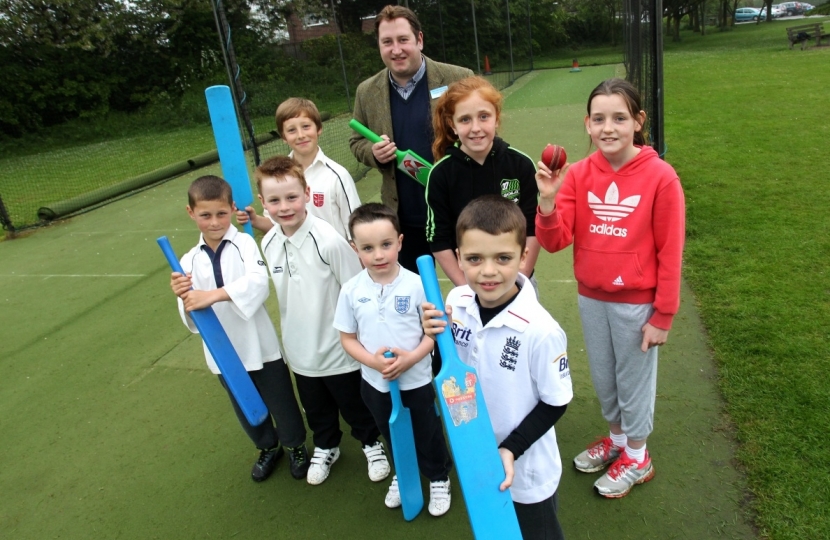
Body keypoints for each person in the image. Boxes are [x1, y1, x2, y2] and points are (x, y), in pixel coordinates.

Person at [534, 78, 685, 498]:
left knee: (633, 382)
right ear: (586, 124)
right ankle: (618, 442)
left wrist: (663, 314)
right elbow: (553, 240)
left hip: (637, 303)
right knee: (605, 378)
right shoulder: (579, 174)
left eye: (619, 118)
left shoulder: (661, 176)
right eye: (599, 119)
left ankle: (638, 457)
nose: (608, 127)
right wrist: (547, 201)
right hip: (592, 297)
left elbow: (671, 251)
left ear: (638, 122)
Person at [422, 195, 572, 540]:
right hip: (475, 451)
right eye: (474, 259)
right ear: (458, 257)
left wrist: (510, 448)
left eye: (503, 258)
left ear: (523, 257)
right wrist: (431, 340)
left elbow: (556, 400)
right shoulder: (455, 304)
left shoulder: (542, 330)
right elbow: (447, 373)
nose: (488, 271)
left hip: (525, 467)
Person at [256, 156, 390, 486]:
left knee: (354, 405)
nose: (284, 207)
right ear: (263, 203)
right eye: (274, 200)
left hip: (338, 350)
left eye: (291, 197)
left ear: (306, 193)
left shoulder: (328, 240)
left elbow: (357, 289)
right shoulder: (269, 242)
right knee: (316, 409)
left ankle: (371, 443)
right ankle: (327, 446)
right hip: (300, 351)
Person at [168, 175, 309, 483]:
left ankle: (295, 445)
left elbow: (258, 285)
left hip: (259, 345)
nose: (215, 221)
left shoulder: (244, 243)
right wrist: (183, 293)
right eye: (205, 215)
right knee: (246, 406)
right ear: (191, 213)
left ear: (232, 209)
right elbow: (191, 310)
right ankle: (267, 447)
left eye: (221, 213)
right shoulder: (188, 260)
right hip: (222, 352)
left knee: (281, 400)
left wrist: (212, 295)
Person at [333, 203, 453, 516]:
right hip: (376, 383)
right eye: (368, 248)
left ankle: (438, 475)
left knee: (426, 432)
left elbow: (434, 334)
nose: (379, 255)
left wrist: (411, 357)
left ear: (400, 241)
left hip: (416, 381)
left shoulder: (417, 285)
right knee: (391, 432)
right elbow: (347, 338)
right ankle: (404, 472)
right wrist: (373, 363)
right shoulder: (351, 290)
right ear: (354, 249)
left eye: (386, 245)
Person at [349, 4, 473, 273]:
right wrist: (373, 152)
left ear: (419, 39)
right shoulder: (366, 91)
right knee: (414, 301)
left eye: (403, 40)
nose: (396, 50)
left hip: (456, 211)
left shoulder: (459, 78)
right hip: (404, 218)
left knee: (473, 289)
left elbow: (482, 132)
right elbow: (356, 141)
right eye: (387, 42)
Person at [426, 75, 541, 287]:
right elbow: (439, 238)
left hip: (518, 282)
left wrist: (518, 279)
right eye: (465, 120)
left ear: (496, 118)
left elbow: (533, 227)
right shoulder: (441, 174)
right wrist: (465, 287)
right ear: (452, 124)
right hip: (470, 284)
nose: (475, 128)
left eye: (484, 117)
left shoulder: (521, 165)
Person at [239, 97, 361, 241]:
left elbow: (356, 224)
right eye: (292, 130)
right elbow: (275, 225)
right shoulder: (275, 177)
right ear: (283, 137)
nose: (301, 135)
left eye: (306, 126)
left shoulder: (337, 176)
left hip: (333, 260)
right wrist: (255, 220)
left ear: (319, 129)